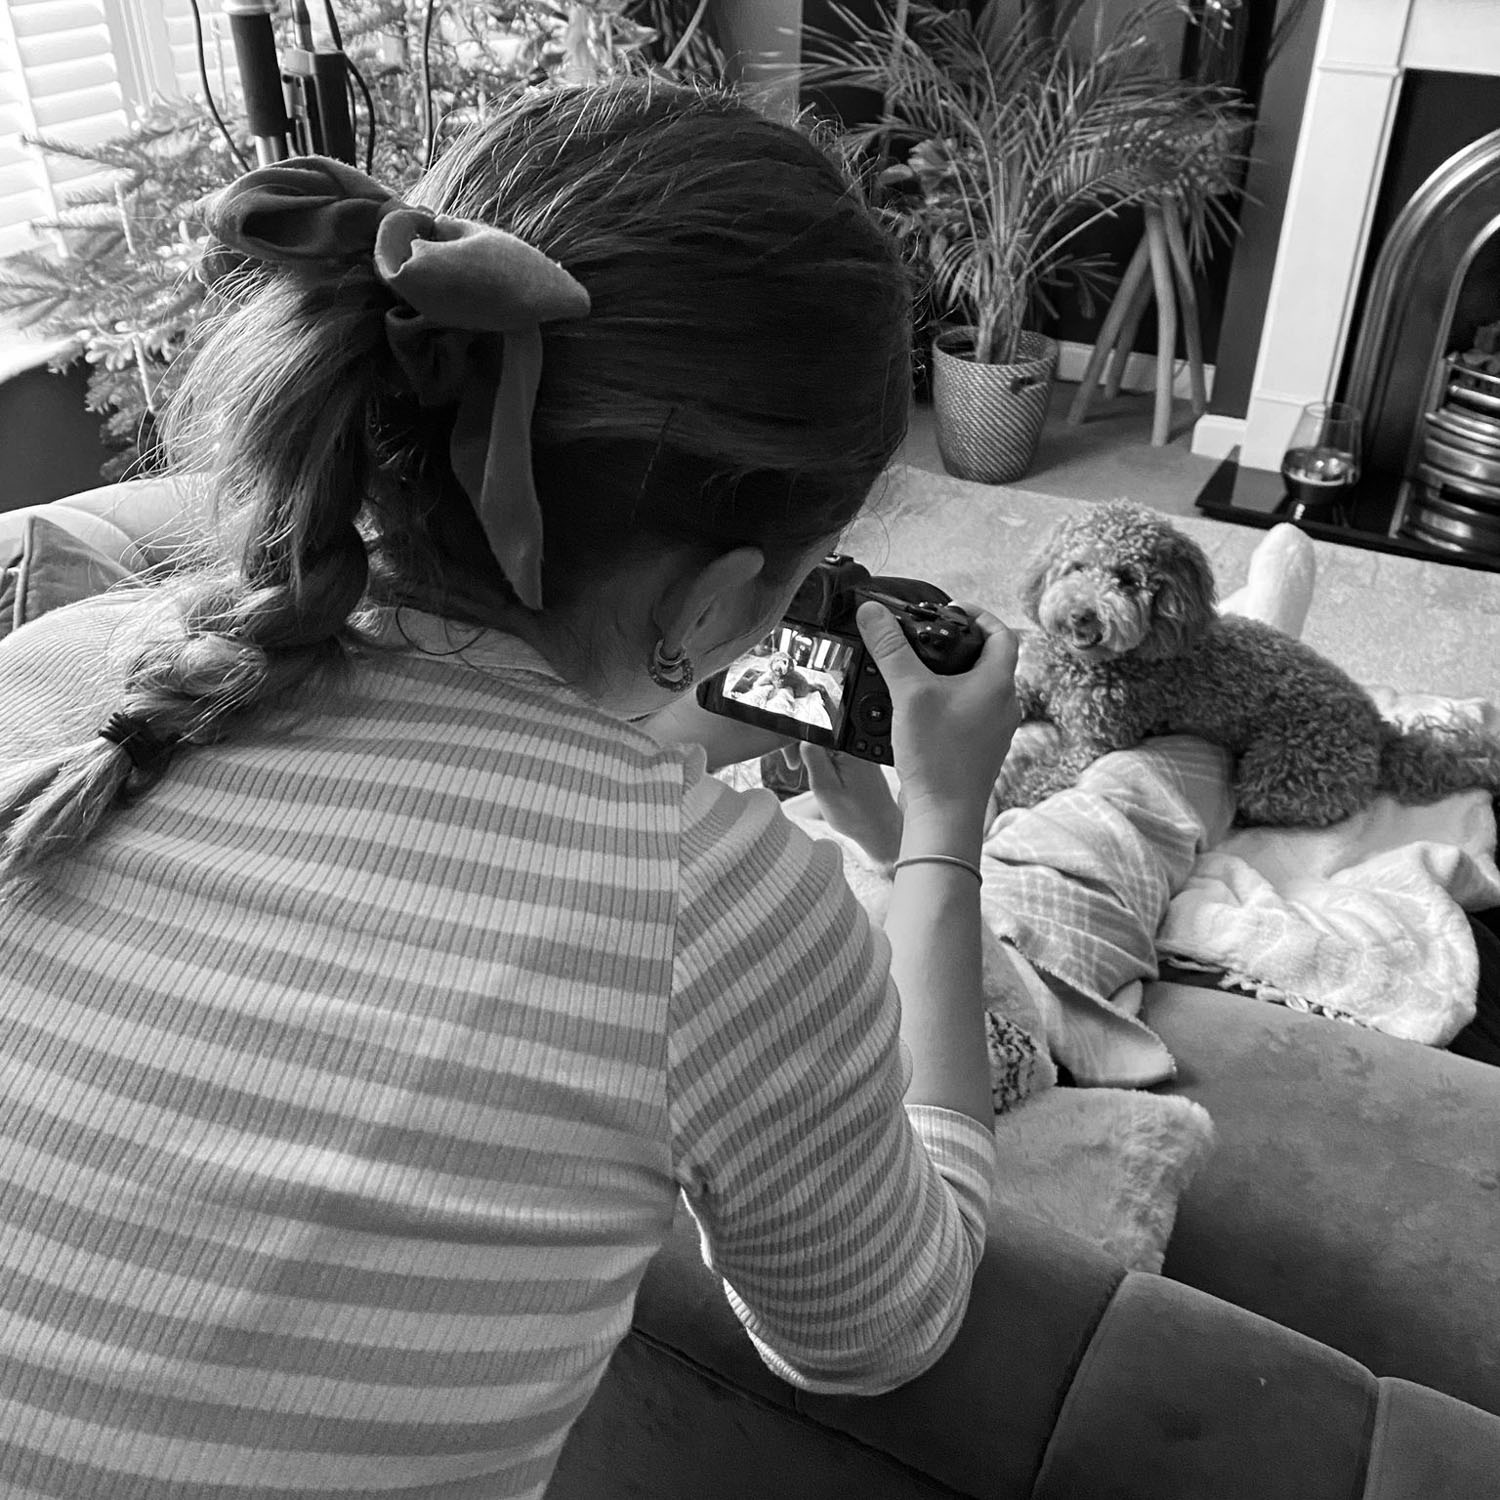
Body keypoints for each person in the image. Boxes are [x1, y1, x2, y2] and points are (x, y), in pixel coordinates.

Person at [0, 80, 1019, 1497]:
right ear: (732, 597)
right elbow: (879, 1334)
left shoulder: (54, 676)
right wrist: (942, 833)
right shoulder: (726, 919)